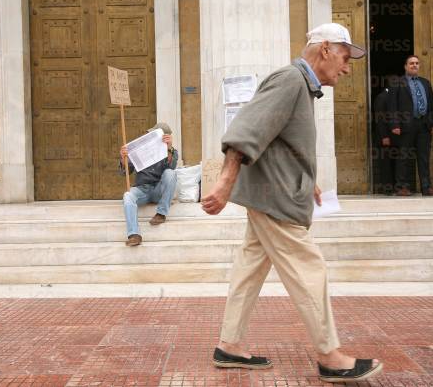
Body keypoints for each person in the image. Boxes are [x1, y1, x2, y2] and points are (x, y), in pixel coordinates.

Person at [201, 23, 383, 383]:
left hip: (277, 192)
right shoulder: (289, 80)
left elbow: (280, 140)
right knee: (310, 269)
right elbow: (245, 131)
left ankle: (229, 345)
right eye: (345, 58)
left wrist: (308, 178)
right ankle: (330, 356)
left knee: (249, 269)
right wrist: (223, 184)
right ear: (326, 49)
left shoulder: (302, 86)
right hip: (277, 198)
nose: (347, 68)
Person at [389, 55, 433, 196]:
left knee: (424, 157)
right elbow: (392, 106)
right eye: (411, 63)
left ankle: (426, 187)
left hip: (424, 125)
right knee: (404, 157)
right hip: (405, 125)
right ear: (405, 66)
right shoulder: (397, 83)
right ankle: (401, 187)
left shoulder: (425, 83)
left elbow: (432, 105)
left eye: (417, 63)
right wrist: (395, 124)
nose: (414, 65)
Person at [120, 123, 178, 246]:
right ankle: (134, 234)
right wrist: (123, 158)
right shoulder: (139, 150)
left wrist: (169, 148)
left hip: (158, 191)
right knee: (127, 196)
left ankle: (161, 213)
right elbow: (125, 172)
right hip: (142, 190)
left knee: (170, 173)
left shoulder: (171, 151)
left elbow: (171, 167)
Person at [374, 75, 397, 195]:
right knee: (386, 164)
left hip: (393, 137)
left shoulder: (392, 97)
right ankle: (387, 188)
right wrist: (384, 136)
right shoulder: (382, 97)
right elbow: (380, 119)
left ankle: (394, 187)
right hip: (385, 137)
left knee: (393, 162)